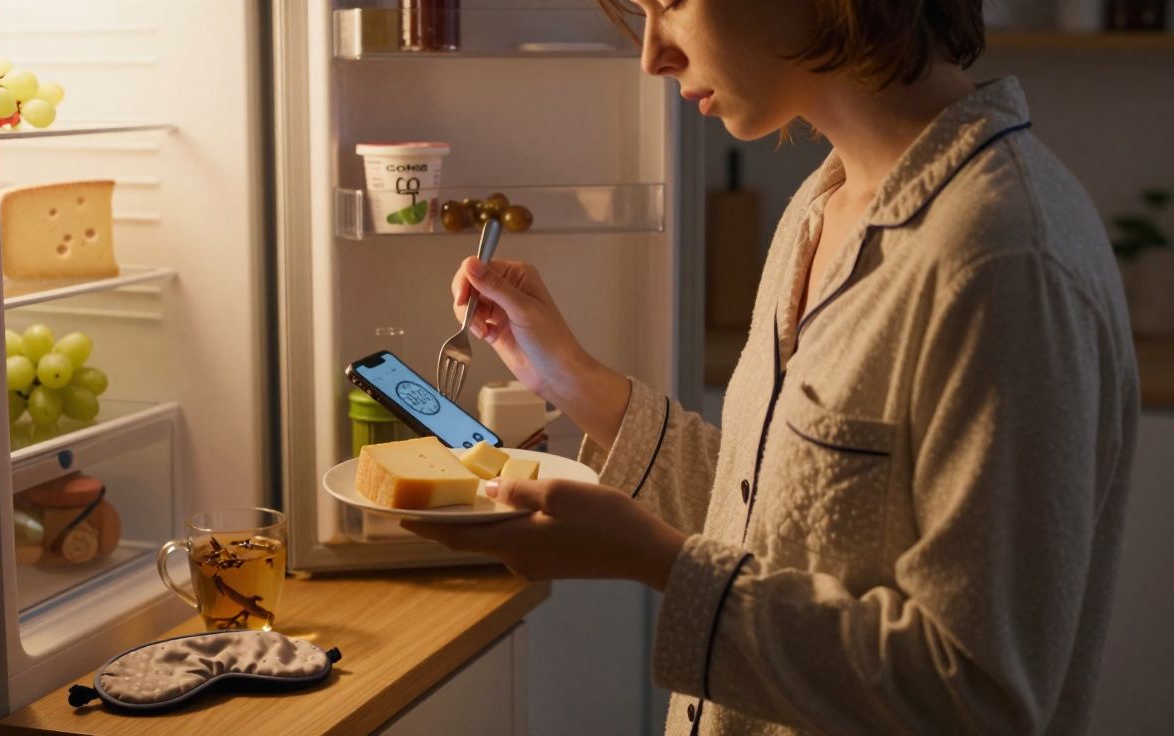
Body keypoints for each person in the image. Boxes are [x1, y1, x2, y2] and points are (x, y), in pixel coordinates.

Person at [402, 0, 1139, 733]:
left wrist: (659, 562)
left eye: (672, 4)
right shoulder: (821, 207)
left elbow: (977, 698)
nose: (652, 55)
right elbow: (779, 522)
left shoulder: (1003, 260)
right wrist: (565, 376)